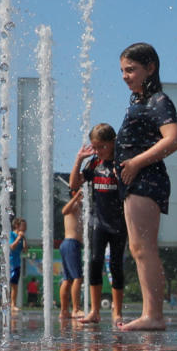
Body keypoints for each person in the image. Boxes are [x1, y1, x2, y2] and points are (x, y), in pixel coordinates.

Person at [114, 42, 177, 331]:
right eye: (122, 71)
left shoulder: (158, 100)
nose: (125, 76)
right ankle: (150, 313)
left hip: (145, 179)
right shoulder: (140, 101)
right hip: (135, 180)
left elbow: (173, 139)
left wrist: (136, 163)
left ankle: (153, 315)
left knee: (144, 249)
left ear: (150, 68)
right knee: (139, 248)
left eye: (131, 70)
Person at [69, 123, 127, 325]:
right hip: (98, 221)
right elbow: (74, 185)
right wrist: (78, 160)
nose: (98, 151)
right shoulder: (94, 164)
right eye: (95, 147)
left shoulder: (121, 163)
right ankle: (94, 311)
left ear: (112, 143)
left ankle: (117, 312)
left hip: (119, 222)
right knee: (94, 262)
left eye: (102, 146)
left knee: (116, 265)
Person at [58, 190, 84, 320]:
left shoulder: (79, 207)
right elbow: (64, 210)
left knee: (68, 280)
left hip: (70, 244)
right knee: (78, 278)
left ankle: (64, 311)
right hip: (71, 243)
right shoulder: (73, 205)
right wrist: (75, 198)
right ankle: (75, 309)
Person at [9, 217, 27, 312]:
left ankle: (13, 304)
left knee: (14, 285)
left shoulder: (22, 237)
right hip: (9, 263)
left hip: (16, 264)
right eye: (23, 226)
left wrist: (23, 239)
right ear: (16, 226)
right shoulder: (11, 234)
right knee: (7, 284)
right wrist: (19, 237)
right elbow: (12, 247)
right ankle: (5, 303)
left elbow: (25, 250)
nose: (25, 228)